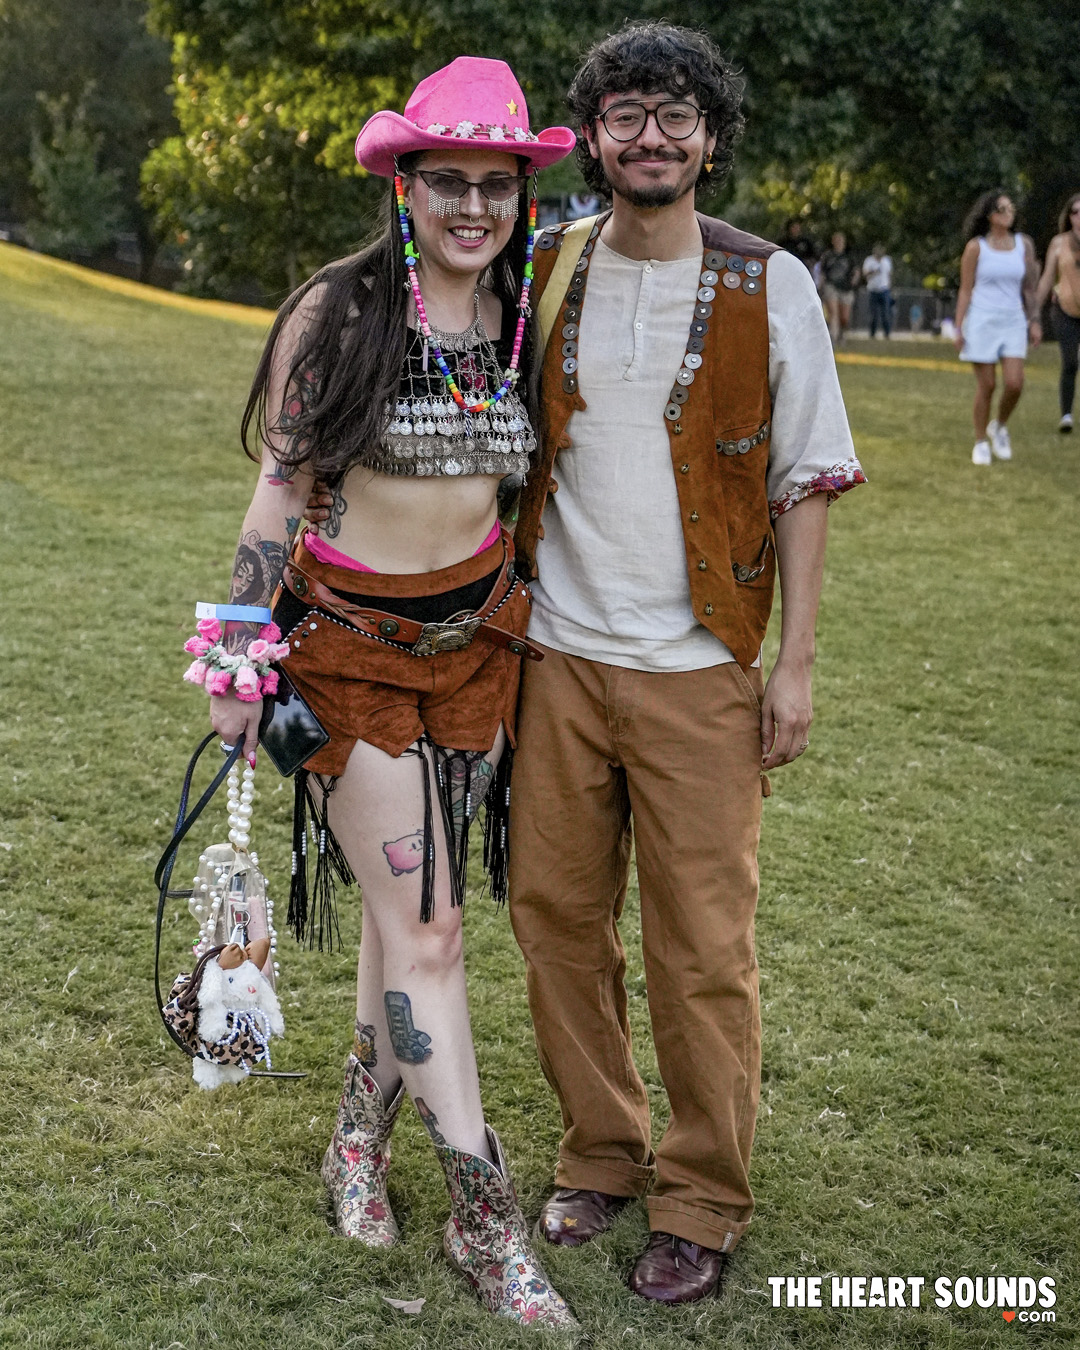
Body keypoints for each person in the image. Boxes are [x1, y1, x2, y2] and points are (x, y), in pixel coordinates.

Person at [200, 57, 578, 1330]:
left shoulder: (520, 316)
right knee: (432, 931)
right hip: (347, 656)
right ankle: (486, 1217)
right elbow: (277, 490)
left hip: (477, 653)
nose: (474, 205)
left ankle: (356, 1145)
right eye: (448, 180)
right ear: (404, 184)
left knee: (398, 922)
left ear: (523, 194)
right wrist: (240, 657)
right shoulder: (342, 312)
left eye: (497, 184)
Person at [507, 22, 865, 1305]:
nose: (649, 136)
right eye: (626, 114)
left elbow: (808, 479)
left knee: (703, 947)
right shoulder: (546, 264)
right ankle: (601, 1152)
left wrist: (794, 666)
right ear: (594, 136)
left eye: (675, 115)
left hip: (700, 664)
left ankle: (703, 1195)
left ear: (712, 138)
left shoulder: (772, 282)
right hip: (553, 656)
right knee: (554, 920)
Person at [953, 189, 1041, 465]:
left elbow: (1029, 287)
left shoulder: (1023, 245)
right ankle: (980, 442)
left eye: (1011, 208)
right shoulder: (976, 247)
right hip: (982, 320)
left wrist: (1034, 320)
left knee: (1015, 383)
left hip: (1013, 320)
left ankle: (999, 426)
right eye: (1002, 209)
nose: (1008, 213)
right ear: (990, 215)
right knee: (988, 385)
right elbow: (965, 289)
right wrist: (958, 326)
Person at [1034, 192, 1080, 433]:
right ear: (1069, 216)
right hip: (1065, 311)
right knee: (1070, 362)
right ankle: (1066, 416)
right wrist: (1033, 312)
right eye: (1076, 212)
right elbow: (1046, 279)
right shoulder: (1059, 243)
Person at [818, 230, 860, 343]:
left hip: (846, 287)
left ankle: (842, 334)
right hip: (831, 285)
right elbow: (822, 272)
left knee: (844, 317)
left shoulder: (849, 256)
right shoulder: (827, 256)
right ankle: (834, 336)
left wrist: (854, 280)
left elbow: (856, 270)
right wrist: (821, 285)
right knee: (833, 312)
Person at [862, 242, 893, 338]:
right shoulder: (869, 260)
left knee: (886, 313)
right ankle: (872, 333)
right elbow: (865, 273)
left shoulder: (887, 260)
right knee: (873, 314)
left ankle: (887, 333)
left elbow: (889, 274)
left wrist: (890, 286)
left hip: (884, 290)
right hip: (873, 290)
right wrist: (873, 272)